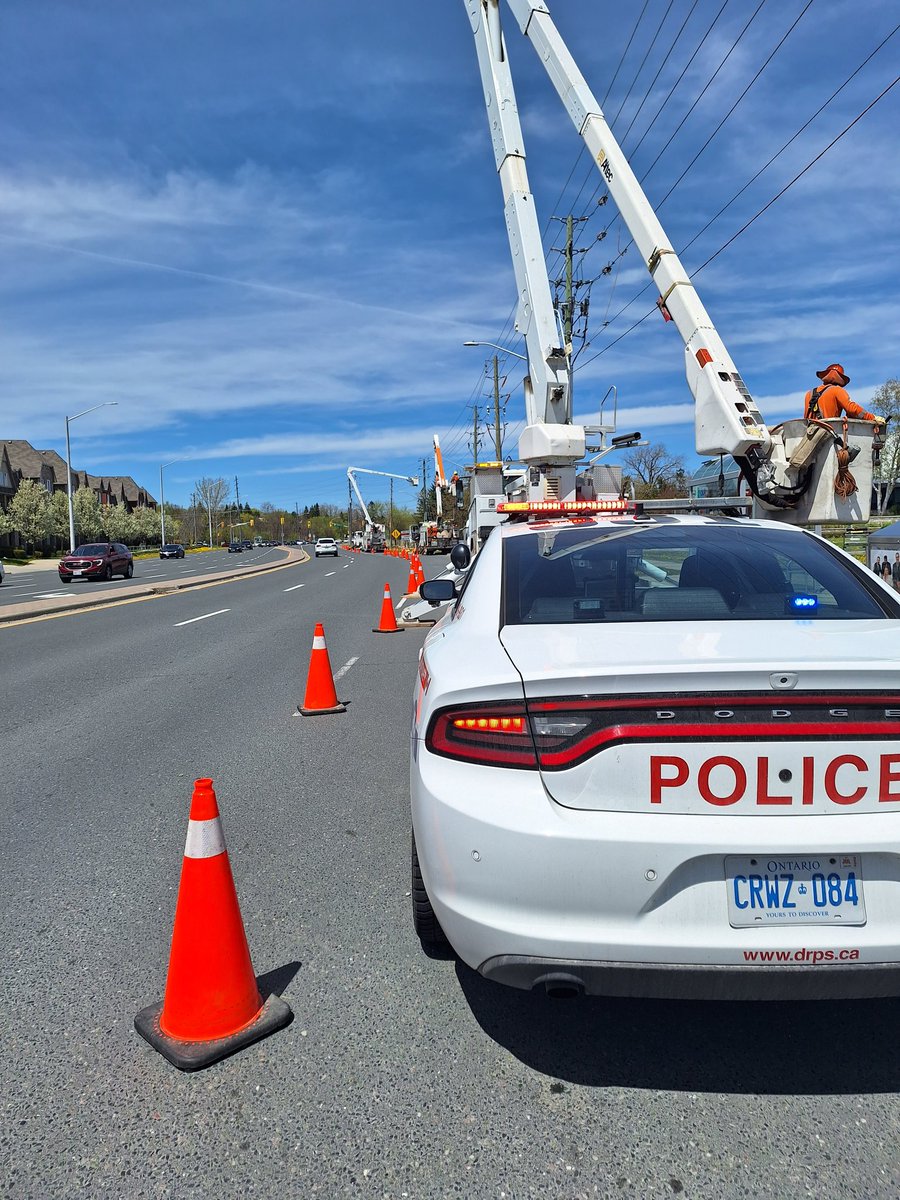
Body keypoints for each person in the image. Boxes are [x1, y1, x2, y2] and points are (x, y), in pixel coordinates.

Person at [804, 363, 884, 425]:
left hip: (809, 434)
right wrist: (872, 417)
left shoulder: (809, 394)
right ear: (841, 378)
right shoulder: (837, 390)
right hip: (828, 436)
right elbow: (852, 409)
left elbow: (806, 418)